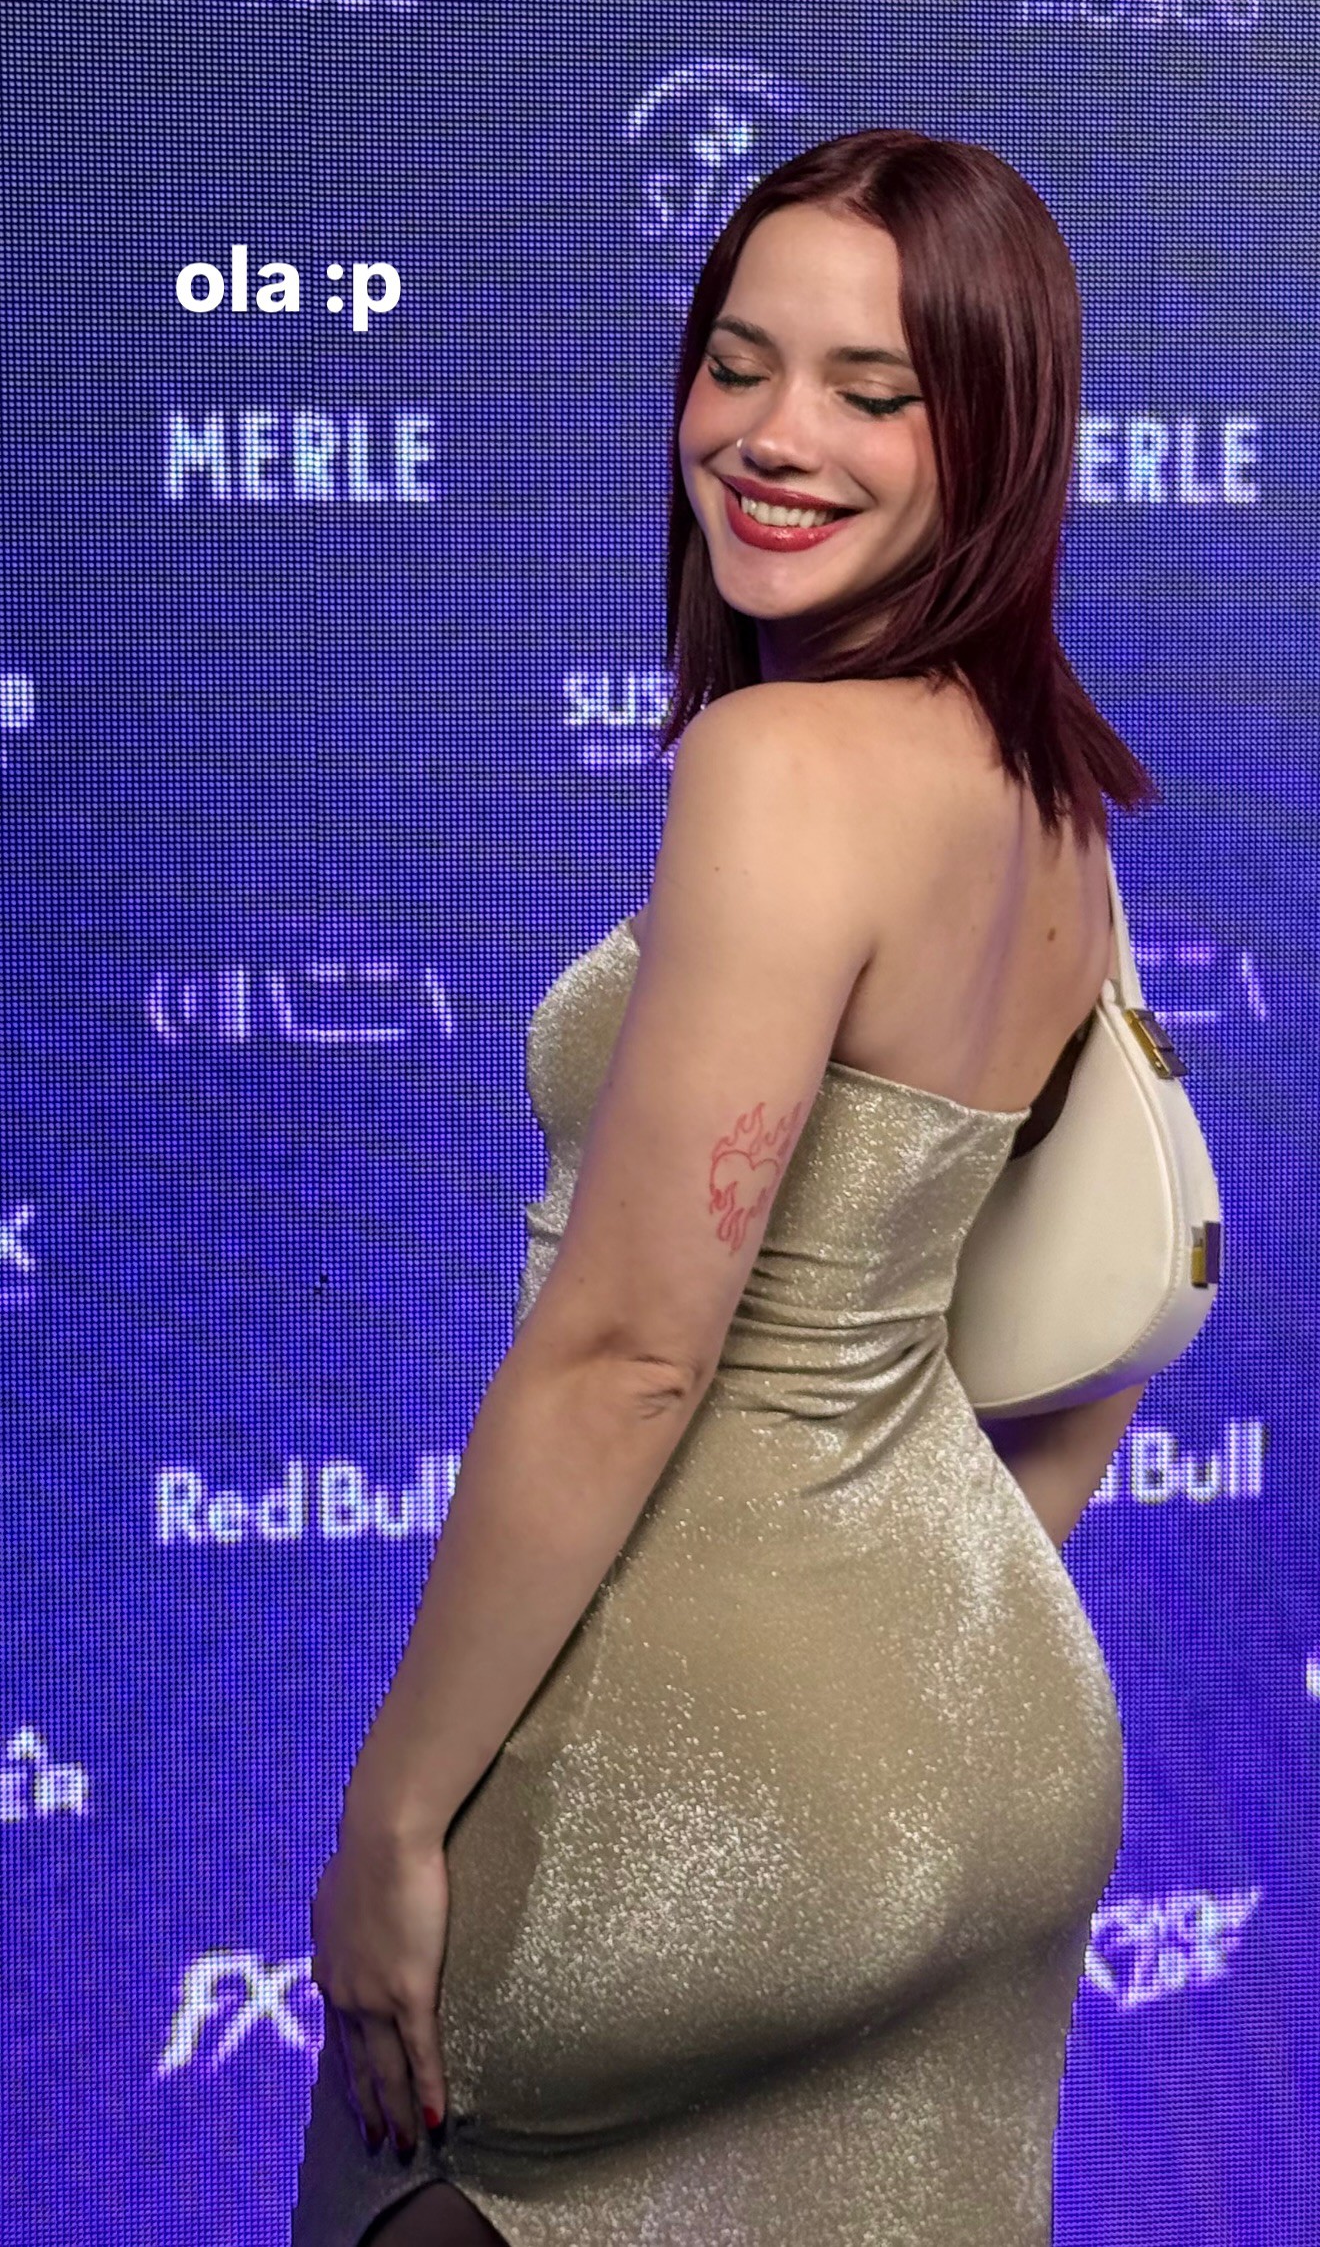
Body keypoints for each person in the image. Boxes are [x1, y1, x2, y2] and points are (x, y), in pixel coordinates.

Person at [291, 127, 1161, 2247]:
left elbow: (625, 1356)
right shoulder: (1054, 798)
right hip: (995, 1737)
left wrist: (394, 1818)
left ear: (1000, 429)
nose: (774, 436)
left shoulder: (776, 768)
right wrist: (921, 1648)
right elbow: (1135, 1303)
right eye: (738, 363)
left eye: (875, 392)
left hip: (702, 1762)